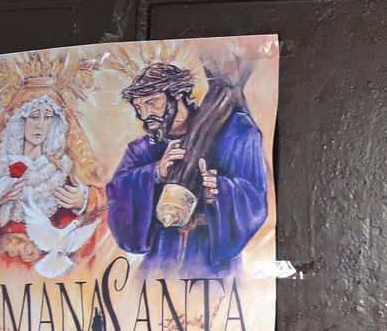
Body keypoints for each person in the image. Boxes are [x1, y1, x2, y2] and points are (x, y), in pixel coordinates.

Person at [107, 63, 268, 278]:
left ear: (179, 94)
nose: (145, 115)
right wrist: (154, 173)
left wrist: (219, 190)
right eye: (138, 107)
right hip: (160, 261)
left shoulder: (234, 131)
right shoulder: (142, 149)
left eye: (152, 103)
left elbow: (255, 196)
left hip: (211, 264)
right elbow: (117, 194)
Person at [0, 88, 106, 276]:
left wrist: (84, 201)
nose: (40, 125)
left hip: (46, 270)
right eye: (33, 117)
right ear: (19, 120)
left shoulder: (61, 170)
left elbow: (108, 203)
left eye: (47, 117)